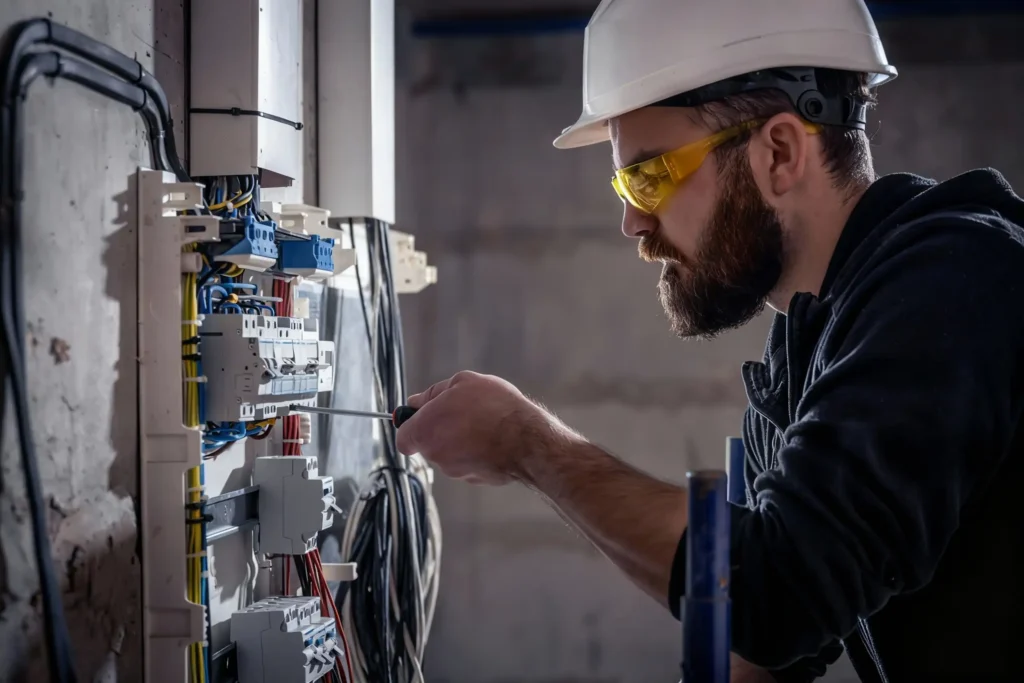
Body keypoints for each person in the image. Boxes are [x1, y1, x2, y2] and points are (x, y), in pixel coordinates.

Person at [395, 0, 1024, 681]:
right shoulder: (809, 350)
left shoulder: (958, 281)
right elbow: (762, 644)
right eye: (624, 183)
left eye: (650, 176)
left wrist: (530, 445)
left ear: (779, 151)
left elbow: (781, 590)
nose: (633, 222)